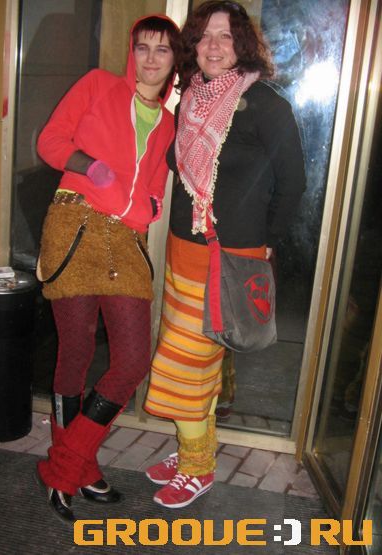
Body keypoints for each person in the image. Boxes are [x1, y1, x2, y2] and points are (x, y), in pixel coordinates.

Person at [144, 0, 306, 509]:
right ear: (193, 45)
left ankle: (197, 468)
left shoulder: (266, 105)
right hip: (183, 251)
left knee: (184, 366)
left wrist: (265, 243)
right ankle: (197, 448)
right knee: (202, 363)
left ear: (243, 44)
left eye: (226, 36)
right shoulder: (190, 99)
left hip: (230, 256)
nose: (214, 46)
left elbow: (293, 184)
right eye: (204, 36)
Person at [35, 14, 180, 523]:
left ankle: (62, 466)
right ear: (131, 52)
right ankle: (83, 467)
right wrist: (91, 167)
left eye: (162, 50)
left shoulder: (168, 123)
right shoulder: (98, 85)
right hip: (75, 224)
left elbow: (156, 185)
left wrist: (147, 205)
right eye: (143, 47)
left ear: (174, 61)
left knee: (132, 361)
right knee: (75, 353)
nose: (151, 58)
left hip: (126, 240)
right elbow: (50, 142)